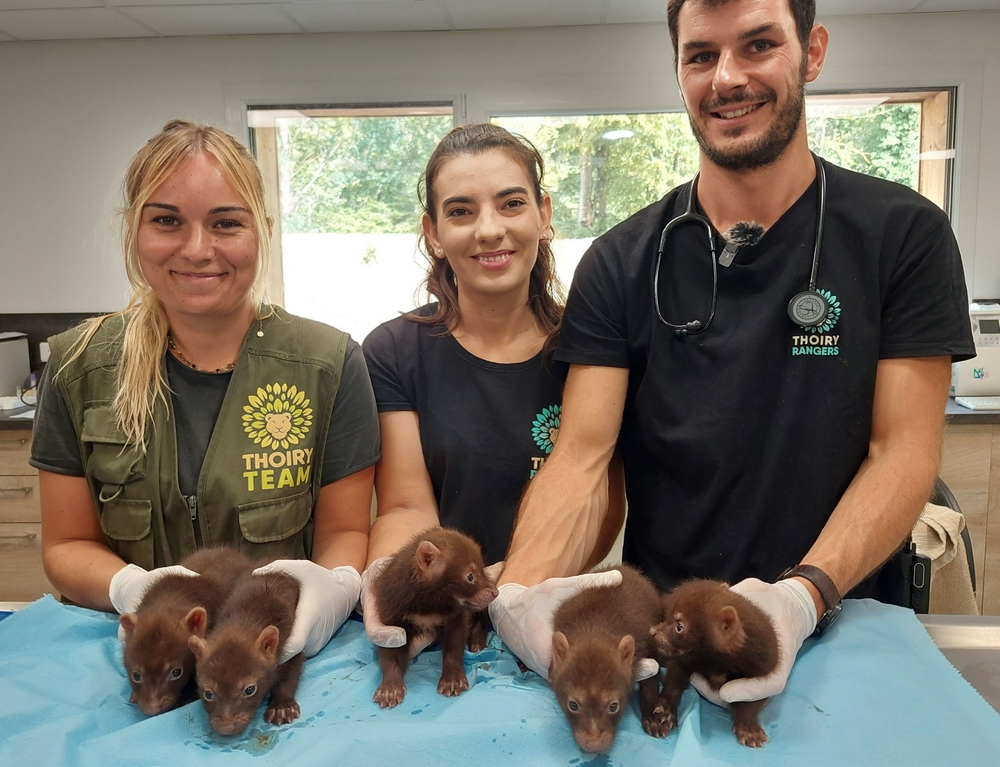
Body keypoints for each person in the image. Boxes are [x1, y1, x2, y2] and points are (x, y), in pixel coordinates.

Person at [488, 0, 976, 708]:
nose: (726, 78)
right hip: (669, 644)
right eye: (701, 55)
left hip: (843, 626)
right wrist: (518, 595)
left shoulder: (902, 237)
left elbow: (902, 450)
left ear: (812, 52)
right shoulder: (621, 261)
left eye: (758, 45)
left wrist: (802, 597)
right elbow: (582, 461)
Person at [30, 120, 379, 659]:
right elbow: (66, 544)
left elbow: (345, 532)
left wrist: (329, 589)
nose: (197, 249)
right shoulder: (79, 366)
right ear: (134, 229)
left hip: (273, 652)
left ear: (262, 230)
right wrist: (132, 588)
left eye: (226, 223)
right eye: (167, 220)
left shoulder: (328, 364)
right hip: (125, 655)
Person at [359, 123, 625, 647]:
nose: (488, 229)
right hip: (444, 614)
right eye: (460, 211)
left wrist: (521, 583)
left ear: (543, 215)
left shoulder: (595, 350)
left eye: (511, 204)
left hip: (553, 604)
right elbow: (406, 506)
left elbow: (602, 499)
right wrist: (395, 582)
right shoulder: (393, 352)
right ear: (433, 233)